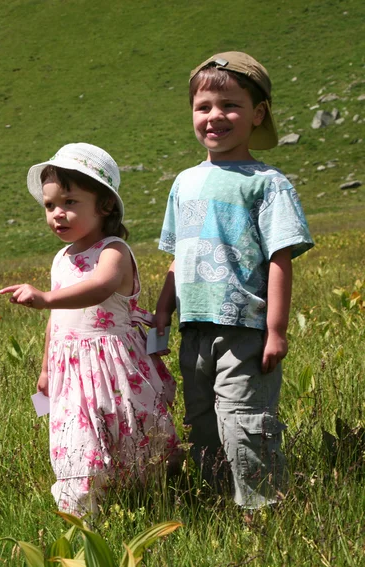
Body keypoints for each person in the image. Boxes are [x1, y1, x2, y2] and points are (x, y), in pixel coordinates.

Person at [155, 52, 314, 510]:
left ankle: (262, 511)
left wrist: (277, 330)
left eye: (230, 105)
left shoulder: (267, 183)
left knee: (245, 422)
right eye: (203, 106)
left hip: (245, 329)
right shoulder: (184, 182)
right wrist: (164, 308)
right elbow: (177, 255)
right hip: (195, 329)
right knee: (202, 422)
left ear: (258, 113)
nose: (214, 117)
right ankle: (218, 503)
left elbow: (280, 256)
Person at [0, 143, 180, 516]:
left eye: (69, 202)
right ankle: (81, 515)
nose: (57, 215)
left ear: (105, 205)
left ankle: (152, 499)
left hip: (112, 364)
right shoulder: (60, 259)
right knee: (77, 439)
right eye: (49, 206)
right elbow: (57, 321)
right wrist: (47, 368)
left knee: (129, 433)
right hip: (70, 367)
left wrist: (47, 297)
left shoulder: (113, 251)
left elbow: (100, 286)